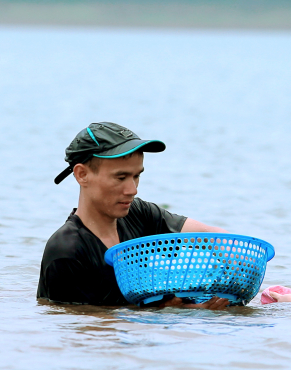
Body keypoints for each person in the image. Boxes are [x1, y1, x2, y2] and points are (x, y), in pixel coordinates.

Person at [37, 122, 230, 309]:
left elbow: (212, 236)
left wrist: (232, 257)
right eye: (120, 178)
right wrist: (160, 308)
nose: (132, 190)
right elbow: (89, 326)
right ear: (82, 175)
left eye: (136, 176)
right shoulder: (66, 252)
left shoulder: (137, 213)